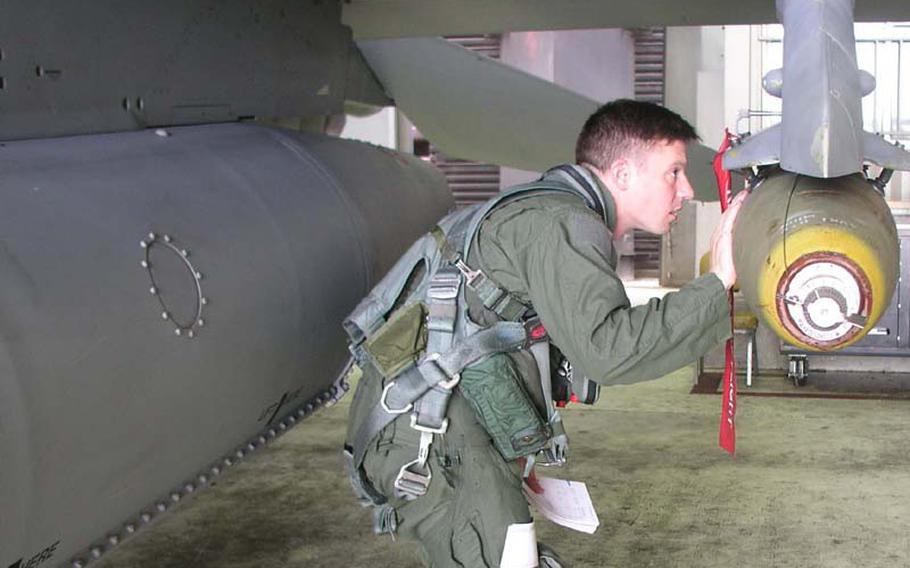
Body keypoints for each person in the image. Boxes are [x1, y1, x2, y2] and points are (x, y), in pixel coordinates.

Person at [343, 99, 747, 567]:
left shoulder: (548, 209)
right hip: (427, 435)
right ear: (622, 173)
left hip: (429, 420)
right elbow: (608, 349)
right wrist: (718, 282)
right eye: (674, 172)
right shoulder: (565, 224)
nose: (687, 190)